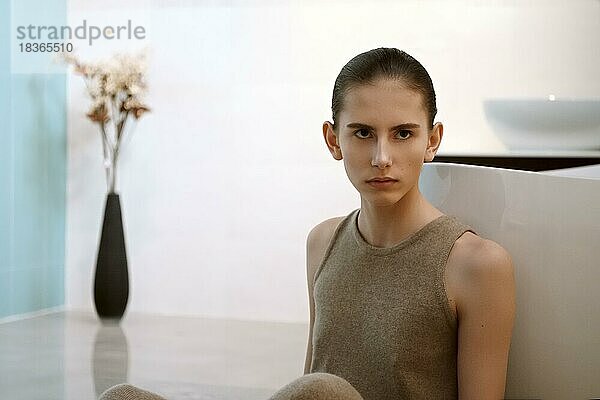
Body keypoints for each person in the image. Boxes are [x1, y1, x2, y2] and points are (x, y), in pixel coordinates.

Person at [99, 48, 515, 400]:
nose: (382, 157)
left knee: (321, 392)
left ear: (433, 141)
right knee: (120, 397)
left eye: (403, 133)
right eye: (363, 133)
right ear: (334, 140)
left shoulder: (476, 264)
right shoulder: (324, 241)